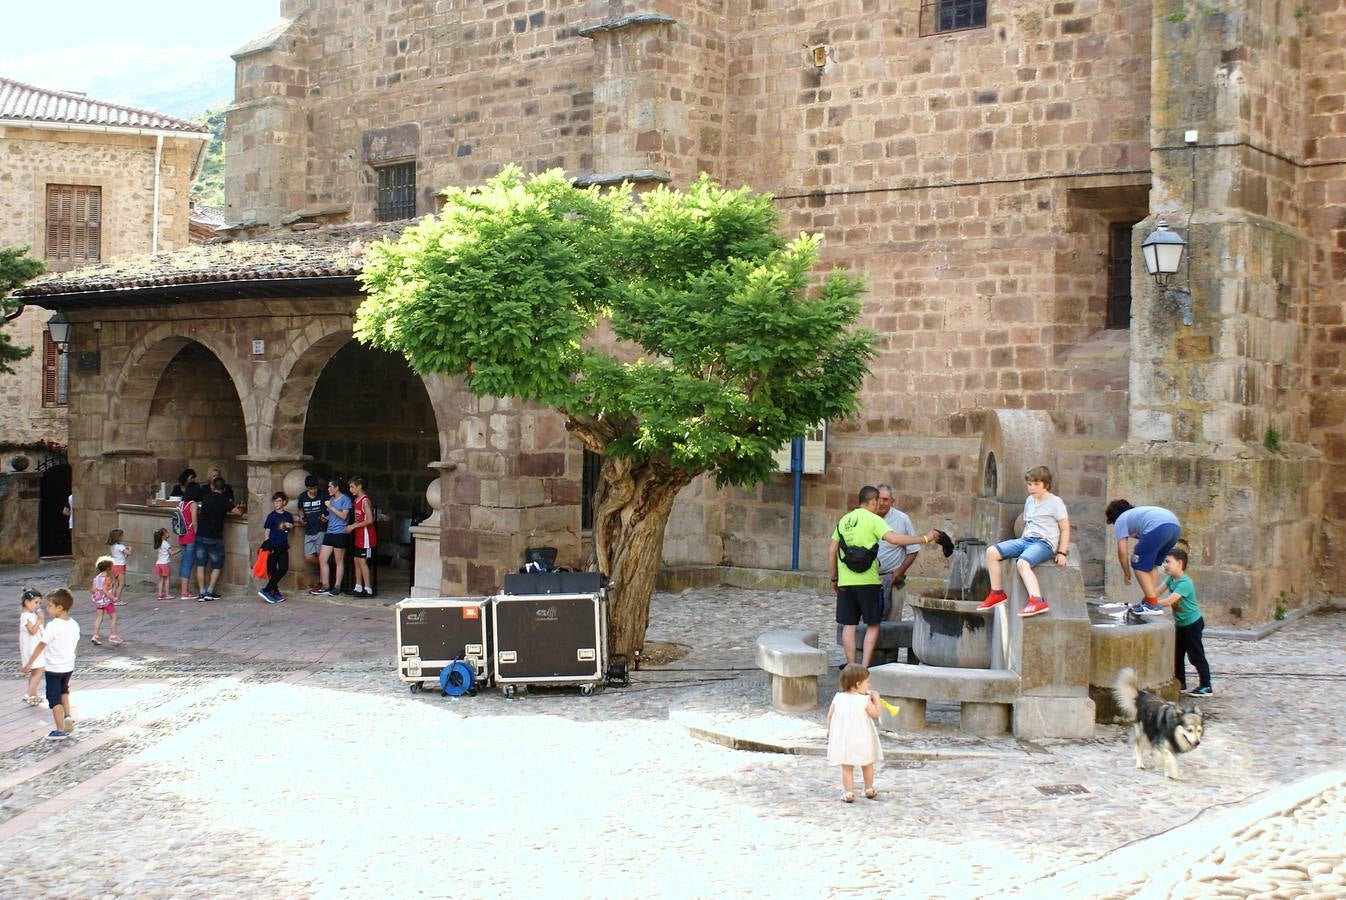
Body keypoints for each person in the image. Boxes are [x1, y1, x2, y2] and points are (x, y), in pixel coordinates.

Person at [828, 485, 940, 668]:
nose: (879, 505)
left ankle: (851, 667)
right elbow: (895, 539)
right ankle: (864, 667)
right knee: (873, 625)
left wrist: (834, 578)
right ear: (872, 501)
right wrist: (925, 538)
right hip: (868, 582)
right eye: (877, 501)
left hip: (846, 582)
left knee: (849, 626)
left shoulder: (844, 520)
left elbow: (832, 550)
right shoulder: (873, 520)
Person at [978, 466, 1071, 618]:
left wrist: (1061, 552)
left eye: (1036, 484)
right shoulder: (1029, 500)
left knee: (1022, 563)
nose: (1032, 488)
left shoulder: (1055, 502)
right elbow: (1028, 524)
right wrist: (1020, 543)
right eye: (1029, 484)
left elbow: (1065, 529)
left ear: (1046, 484)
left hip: (1045, 543)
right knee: (991, 552)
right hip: (1026, 540)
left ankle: (1037, 600)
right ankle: (997, 593)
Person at [1106, 500, 1183, 615]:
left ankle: (1151, 604)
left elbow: (1122, 551)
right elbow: (1146, 541)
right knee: (1153, 564)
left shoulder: (1121, 519)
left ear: (1114, 517)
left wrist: (1127, 573)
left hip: (1159, 528)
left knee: (1137, 563)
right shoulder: (1138, 514)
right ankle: (1148, 601)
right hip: (1175, 528)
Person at [22, 587, 79, 740]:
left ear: (60, 608)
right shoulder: (74, 624)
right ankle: (67, 716)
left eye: (50, 605)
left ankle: (60, 730)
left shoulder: (54, 625)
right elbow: (75, 645)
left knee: (54, 699)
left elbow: (41, 645)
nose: (47, 608)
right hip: (68, 667)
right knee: (64, 692)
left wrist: (29, 663)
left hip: (54, 668)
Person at [1154, 548, 1212, 696]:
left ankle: (1206, 686)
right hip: (1181, 624)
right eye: (1164, 561)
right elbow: (1156, 592)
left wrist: (1154, 604)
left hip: (1192, 624)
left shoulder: (1185, 582)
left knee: (1196, 655)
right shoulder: (1171, 579)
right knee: (1177, 654)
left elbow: (1170, 600)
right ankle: (1180, 682)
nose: (1164, 565)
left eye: (1168, 561)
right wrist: (1147, 600)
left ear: (1179, 563)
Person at [826, 663, 883, 803]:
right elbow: (876, 713)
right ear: (858, 684)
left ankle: (849, 792)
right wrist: (876, 699)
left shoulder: (838, 697)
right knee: (867, 764)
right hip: (863, 738)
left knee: (847, 767)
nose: (869, 685)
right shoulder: (864, 700)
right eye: (867, 683)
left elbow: (830, 716)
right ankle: (869, 788)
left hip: (845, 739)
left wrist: (829, 730)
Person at [875, 484, 920, 621]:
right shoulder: (867, 517)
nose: (882, 503)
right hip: (868, 579)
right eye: (879, 499)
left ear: (892, 501)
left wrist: (898, 572)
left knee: (892, 620)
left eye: (886, 499)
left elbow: (913, 550)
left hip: (892, 578)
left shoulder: (902, 519)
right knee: (867, 621)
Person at [193, 477, 234, 601]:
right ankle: (210, 591)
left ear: (212, 487)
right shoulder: (225, 500)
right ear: (224, 488)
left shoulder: (206, 497)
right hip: (215, 537)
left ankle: (201, 593)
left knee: (200, 564)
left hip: (201, 534)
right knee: (217, 564)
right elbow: (237, 512)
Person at [312, 477, 352, 596]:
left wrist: (331, 507)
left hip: (340, 533)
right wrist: (326, 518)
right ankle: (325, 585)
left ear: (336, 487)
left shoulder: (345, 499)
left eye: (330, 486)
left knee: (338, 561)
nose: (328, 489)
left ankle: (337, 586)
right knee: (322, 558)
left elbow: (344, 516)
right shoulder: (331, 500)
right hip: (329, 532)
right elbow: (334, 516)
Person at [260, 491, 295, 604]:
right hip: (273, 546)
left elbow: (289, 527)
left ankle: (268, 590)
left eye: (279, 501)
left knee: (283, 568)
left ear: (284, 502)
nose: (276, 503)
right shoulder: (271, 516)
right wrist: (267, 544)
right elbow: (267, 530)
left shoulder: (288, 515)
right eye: (275, 501)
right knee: (272, 570)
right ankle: (273, 591)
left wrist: (291, 525)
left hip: (283, 546)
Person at [346, 476, 377, 596]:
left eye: (352, 487)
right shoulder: (357, 500)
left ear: (359, 487)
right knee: (356, 560)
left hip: (366, 536)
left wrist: (353, 526)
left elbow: (369, 520)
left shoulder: (364, 501)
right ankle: (358, 586)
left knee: (362, 561)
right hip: (359, 535)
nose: (350, 489)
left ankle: (368, 588)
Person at [298, 475, 326, 591]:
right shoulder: (302, 497)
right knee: (308, 556)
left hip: (320, 529)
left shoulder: (323, 495)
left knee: (321, 555)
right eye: (310, 489)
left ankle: (322, 581)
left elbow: (328, 509)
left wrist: (326, 517)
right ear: (307, 488)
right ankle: (328, 565)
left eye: (315, 488)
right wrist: (301, 517)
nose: (313, 491)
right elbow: (300, 510)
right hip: (309, 529)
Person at [89, 556, 123, 646]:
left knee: (99, 617)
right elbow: (105, 590)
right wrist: (113, 598)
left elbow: (92, 589)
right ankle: (113, 635)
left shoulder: (96, 578)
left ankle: (95, 635)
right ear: (109, 568)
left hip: (98, 601)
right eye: (113, 566)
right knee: (114, 617)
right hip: (106, 601)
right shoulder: (107, 579)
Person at [19, 588, 45, 706]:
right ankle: (29, 693)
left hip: (35, 645)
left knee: (35, 671)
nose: (38, 605)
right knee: (39, 670)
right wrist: (40, 620)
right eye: (35, 602)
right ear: (27, 602)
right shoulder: (26, 616)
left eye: (39, 603)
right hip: (32, 647)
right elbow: (32, 631)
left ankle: (33, 695)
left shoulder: (30, 614)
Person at [176, 484, 203, 600]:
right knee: (188, 563)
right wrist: (197, 534)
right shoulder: (193, 504)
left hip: (182, 536)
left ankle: (183, 589)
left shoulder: (181, 504)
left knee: (184, 562)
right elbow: (195, 522)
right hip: (190, 536)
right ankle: (184, 592)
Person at [107, 528, 131, 603]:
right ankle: (117, 599)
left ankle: (112, 598)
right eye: (122, 536)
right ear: (118, 537)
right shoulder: (120, 546)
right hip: (120, 566)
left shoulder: (113, 546)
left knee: (116, 583)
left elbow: (123, 556)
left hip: (115, 565)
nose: (123, 537)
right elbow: (128, 553)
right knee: (121, 584)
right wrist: (130, 549)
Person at [152, 528, 175, 600]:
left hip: (158, 563)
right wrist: (180, 550)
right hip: (165, 564)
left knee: (161, 579)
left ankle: (160, 594)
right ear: (163, 535)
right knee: (167, 579)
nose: (168, 533)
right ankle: (167, 594)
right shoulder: (166, 543)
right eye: (166, 532)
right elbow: (171, 553)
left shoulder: (159, 543)